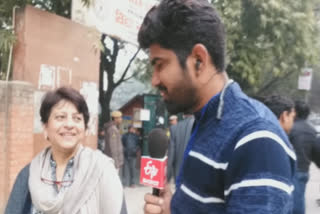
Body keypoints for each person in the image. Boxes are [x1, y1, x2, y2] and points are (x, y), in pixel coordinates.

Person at [138, 0, 296, 213]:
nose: (154, 80)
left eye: (160, 64)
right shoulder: (206, 120)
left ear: (199, 60)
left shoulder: (257, 138)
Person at [5, 87, 127, 214]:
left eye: (77, 118)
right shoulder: (28, 175)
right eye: (60, 117)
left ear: (84, 129)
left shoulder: (103, 171)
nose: (69, 124)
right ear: (45, 127)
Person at [289, 100, 320, 214]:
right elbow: (317, 152)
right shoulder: (312, 130)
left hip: (291, 170)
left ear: (295, 112)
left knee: (291, 204)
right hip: (304, 171)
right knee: (299, 200)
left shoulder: (290, 127)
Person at [167, 114, 195, 183]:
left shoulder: (174, 129)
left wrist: (167, 178)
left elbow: (171, 157)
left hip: (179, 175)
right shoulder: (204, 126)